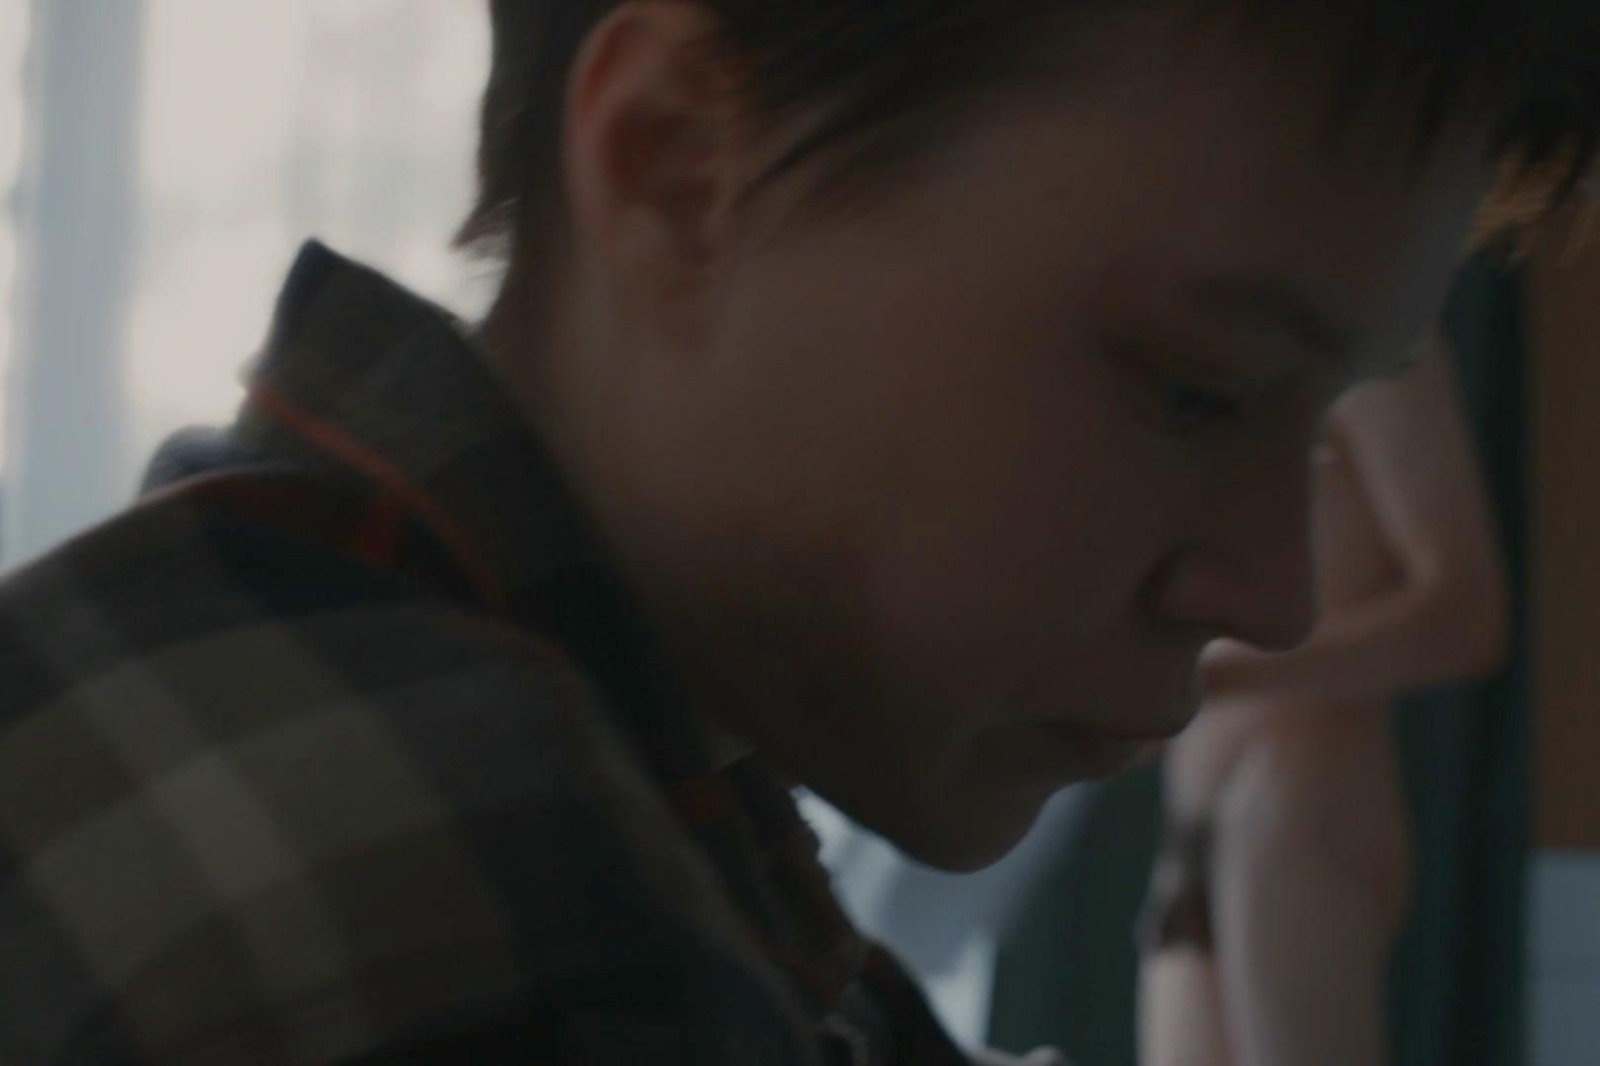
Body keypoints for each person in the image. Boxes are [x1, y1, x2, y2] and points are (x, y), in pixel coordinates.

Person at [0, 2, 1594, 1063]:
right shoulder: (498, 925)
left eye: (1312, 429)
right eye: (1196, 388)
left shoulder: (611, 772)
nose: (1278, 591)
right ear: (682, 164)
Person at [1137, 331, 1511, 1066]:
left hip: (1299, 794)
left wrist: (1221, 676)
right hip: (1192, 809)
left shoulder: (1377, 335)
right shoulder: (1197, 342)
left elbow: (1468, 615)